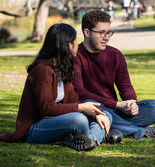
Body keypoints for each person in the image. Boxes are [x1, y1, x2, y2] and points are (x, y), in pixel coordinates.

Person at [0, 23, 122, 151]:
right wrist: (81, 108)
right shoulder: (42, 70)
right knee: (79, 119)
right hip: (36, 127)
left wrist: (95, 114)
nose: (77, 45)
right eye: (75, 41)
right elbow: (46, 108)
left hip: (61, 120)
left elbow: (73, 101)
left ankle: (90, 140)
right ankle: (97, 137)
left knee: (105, 114)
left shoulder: (63, 68)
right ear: (68, 45)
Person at [73, 10, 155, 140]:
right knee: (93, 105)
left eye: (108, 32)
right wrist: (116, 104)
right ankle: (142, 131)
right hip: (92, 110)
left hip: (115, 110)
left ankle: (114, 129)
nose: (107, 37)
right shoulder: (76, 55)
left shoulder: (115, 55)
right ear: (87, 32)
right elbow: (80, 93)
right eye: (101, 33)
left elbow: (125, 87)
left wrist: (132, 103)